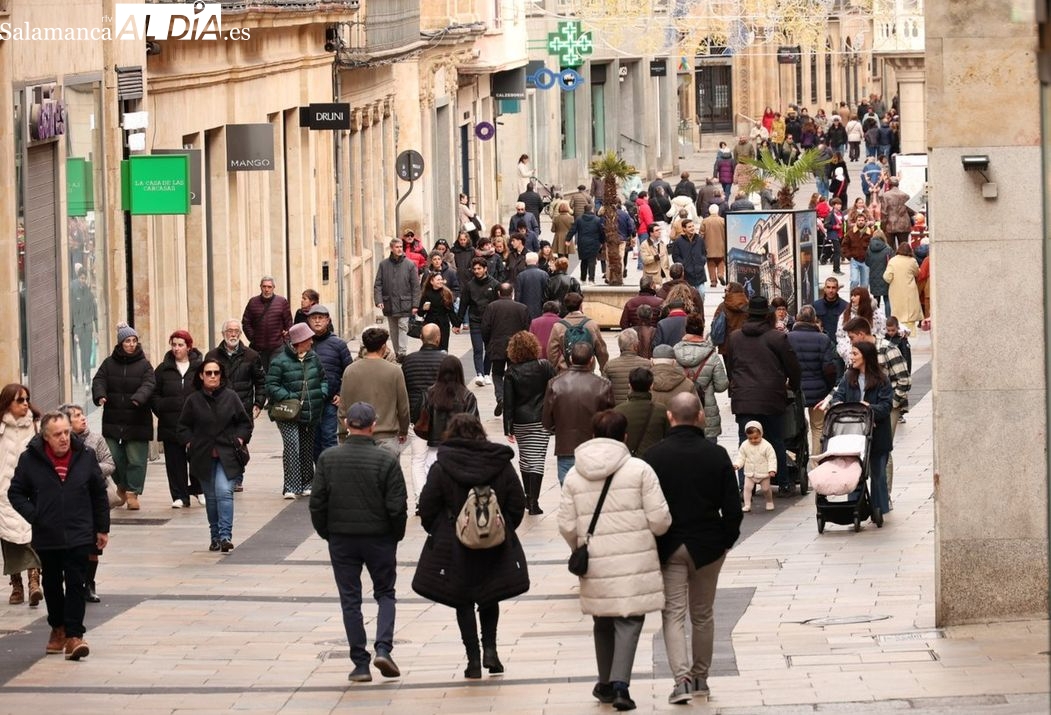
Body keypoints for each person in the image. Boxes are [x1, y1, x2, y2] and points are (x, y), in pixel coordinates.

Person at [557, 410, 671, 711]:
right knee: (630, 619)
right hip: (634, 559)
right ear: (624, 436)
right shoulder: (640, 470)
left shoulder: (574, 474)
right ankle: (620, 685)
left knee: (602, 619)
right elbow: (660, 520)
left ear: (593, 435)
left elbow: (567, 525)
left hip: (595, 559)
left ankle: (605, 682)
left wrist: (579, 546)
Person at [643, 393, 741, 704]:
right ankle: (701, 677)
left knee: (672, 614)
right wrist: (725, 540)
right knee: (703, 615)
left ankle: (681, 680)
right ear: (700, 416)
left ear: (670, 417)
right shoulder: (717, 455)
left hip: (669, 544)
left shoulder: (653, 457)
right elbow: (733, 508)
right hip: (708, 544)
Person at [414, 414, 528, 679]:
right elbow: (517, 502)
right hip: (494, 544)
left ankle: (473, 659)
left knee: (462, 600)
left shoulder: (443, 466)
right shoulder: (500, 464)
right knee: (490, 595)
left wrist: (440, 531)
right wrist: (504, 528)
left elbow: (428, 506)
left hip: (456, 544)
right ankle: (491, 650)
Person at [311, 402, 407, 683]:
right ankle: (383, 648)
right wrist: (395, 535)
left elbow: (317, 504)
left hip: (342, 538)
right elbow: (397, 505)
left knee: (350, 598)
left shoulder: (329, 459)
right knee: (385, 593)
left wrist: (327, 532)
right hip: (379, 538)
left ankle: (360, 663)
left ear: (346, 425)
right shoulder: (387, 460)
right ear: (373, 425)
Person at [9, 411, 109, 661]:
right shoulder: (30, 459)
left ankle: (75, 636)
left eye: (66, 432)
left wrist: (102, 528)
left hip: (79, 532)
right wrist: (35, 514)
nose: (64, 438)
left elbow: (99, 494)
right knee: (52, 584)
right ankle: (58, 627)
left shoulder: (85, 456)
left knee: (76, 582)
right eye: (58, 434)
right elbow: (16, 493)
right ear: (45, 437)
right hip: (47, 533)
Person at [724, 297, 801, 496]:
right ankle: (783, 482)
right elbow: (792, 366)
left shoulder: (735, 337)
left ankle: (744, 486)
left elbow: (731, 367)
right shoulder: (777, 338)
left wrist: (737, 386)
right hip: (771, 396)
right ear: (768, 315)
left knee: (745, 440)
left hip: (744, 397)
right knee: (776, 439)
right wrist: (793, 385)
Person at [177, 360, 253, 552]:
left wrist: (240, 439)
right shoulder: (193, 400)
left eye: (216, 373)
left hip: (228, 453)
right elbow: (182, 427)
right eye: (208, 373)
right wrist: (190, 443)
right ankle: (215, 536)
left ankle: (226, 535)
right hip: (203, 455)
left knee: (224, 492)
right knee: (211, 498)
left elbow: (245, 423)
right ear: (201, 375)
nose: (212, 376)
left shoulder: (231, 397)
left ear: (221, 375)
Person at [823, 341, 894, 516]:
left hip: (876, 435)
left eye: (855, 354)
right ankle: (855, 509)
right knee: (853, 473)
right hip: (853, 434)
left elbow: (886, 406)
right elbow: (838, 395)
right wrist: (837, 403)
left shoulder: (881, 380)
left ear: (866, 356)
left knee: (878, 476)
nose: (851, 357)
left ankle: (880, 509)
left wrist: (868, 407)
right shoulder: (849, 377)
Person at [91, 322, 156, 510]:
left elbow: (149, 383)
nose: (131, 344)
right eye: (127, 341)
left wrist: (139, 398)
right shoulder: (109, 363)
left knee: (136, 459)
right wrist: (100, 394)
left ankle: (132, 492)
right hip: (114, 418)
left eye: (134, 340)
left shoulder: (144, 365)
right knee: (113, 457)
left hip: (137, 419)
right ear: (121, 343)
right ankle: (121, 486)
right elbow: (99, 380)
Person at [57, 402, 116, 603]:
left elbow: (110, 464)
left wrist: (88, 471)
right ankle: (73, 582)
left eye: (83, 414)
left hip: (92, 499)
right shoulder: (57, 444)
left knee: (93, 546)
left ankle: (89, 584)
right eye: (77, 416)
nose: (83, 418)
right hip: (67, 503)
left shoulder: (95, 439)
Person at [267, 322, 329, 499]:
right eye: (308, 339)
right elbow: (271, 385)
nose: (311, 342)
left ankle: (307, 482)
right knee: (292, 445)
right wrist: (290, 398)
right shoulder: (280, 361)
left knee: (307, 446)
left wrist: (321, 393)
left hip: (309, 411)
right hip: (287, 412)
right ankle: (291, 486)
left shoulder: (313, 357)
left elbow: (323, 379)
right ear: (299, 341)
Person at [543, 342, 615, 485]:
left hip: (566, 447)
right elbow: (610, 419)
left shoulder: (555, 384)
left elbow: (547, 421)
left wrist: (561, 429)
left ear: (570, 359)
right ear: (591, 360)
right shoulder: (603, 385)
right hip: (594, 448)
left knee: (568, 493)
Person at [502, 331, 556, 515]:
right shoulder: (545, 366)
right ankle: (534, 502)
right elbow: (555, 389)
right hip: (541, 419)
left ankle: (528, 497)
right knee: (537, 459)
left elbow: (508, 402)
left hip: (520, 420)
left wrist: (508, 427)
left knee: (525, 458)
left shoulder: (511, 371)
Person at [152, 330, 204, 509]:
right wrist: (162, 408)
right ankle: (179, 496)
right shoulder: (163, 369)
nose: (176, 348)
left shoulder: (200, 368)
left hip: (195, 424)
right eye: (173, 344)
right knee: (174, 462)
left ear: (188, 347)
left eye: (180, 345)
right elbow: (155, 393)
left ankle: (199, 489)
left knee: (197, 458)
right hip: (170, 423)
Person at [339, 327, 410, 459]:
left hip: (357, 437)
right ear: (383, 346)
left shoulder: (350, 370)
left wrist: (342, 435)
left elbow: (343, 408)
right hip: (387, 437)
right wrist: (404, 430)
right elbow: (403, 407)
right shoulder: (394, 371)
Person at [1, 384, 41, 607]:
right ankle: (16, 584)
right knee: (9, 539)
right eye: (20, 400)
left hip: (30, 492)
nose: (25, 404)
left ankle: (34, 580)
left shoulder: (35, 426)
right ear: (8, 403)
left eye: (27, 399)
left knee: (31, 535)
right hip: (4, 494)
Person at [400, 324, 446, 507]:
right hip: (440, 414)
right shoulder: (445, 360)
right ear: (438, 338)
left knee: (418, 459)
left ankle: (421, 498)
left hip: (417, 416)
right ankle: (437, 496)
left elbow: (404, 389)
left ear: (420, 338)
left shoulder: (409, 361)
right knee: (436, 456)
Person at [787, 306, 838, 466]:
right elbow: (829, 368)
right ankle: (816, 464)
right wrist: (828, 387)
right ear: (814, 320)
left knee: (796, 425)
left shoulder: (788, 338)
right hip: (818, 391)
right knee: (818, 427)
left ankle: (798, 461)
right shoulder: (823, 339)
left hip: (794, 390)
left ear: (797, 318)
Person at [305, 305, 352, 461]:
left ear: (328, 320)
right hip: (308, 402)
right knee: (313, 443)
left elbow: (349, 372)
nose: (317, 321)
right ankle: (320, 475)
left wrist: (341, 393)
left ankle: (331, 476)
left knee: (329, 439)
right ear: (308, 321)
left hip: (330, 402)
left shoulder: (338, 344)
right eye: (314, 318)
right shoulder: (303, 344)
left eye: (321, 318)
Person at [673, 313, 728, 443]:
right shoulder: (711, 355)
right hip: (706, 411)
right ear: (702, 330)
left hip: (680, 410)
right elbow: (722, 385)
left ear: (686, 330)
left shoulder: (674, 353)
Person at [481, 283, 531, 416]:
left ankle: (500, 397)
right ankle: (513, 400)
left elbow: (485, 327)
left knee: (497, 373)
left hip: (497, 345)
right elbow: (527, 328)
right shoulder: (522, 308)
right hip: (516, 346)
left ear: (499, 293)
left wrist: (488, 342)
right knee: (515, 373)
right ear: (512, 293)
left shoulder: (491, 307)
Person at [374, 237, 421, 361]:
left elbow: (416, 286)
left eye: (401, 247)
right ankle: (396, 352)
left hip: (405, 302)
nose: (400, 249)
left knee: (403, 326)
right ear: (392, 248)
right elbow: (378, 284)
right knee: (393, 329)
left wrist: (415, 305)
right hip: (389, 302)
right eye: (397, 247)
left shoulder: (409, 265)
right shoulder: (383, 265)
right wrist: (379, 300)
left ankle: (402, 352)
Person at [456, 257, 500, 386]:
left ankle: (487, 373)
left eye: (479, 268)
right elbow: (463, 305)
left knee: (489, 349)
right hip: (475, 320)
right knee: (478, 348)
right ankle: (479, 374)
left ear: (485, 269)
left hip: (490, 322)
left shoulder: (494, 284)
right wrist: (457, 323)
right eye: (474, 269)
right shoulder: (469, 286)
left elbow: (498, 304)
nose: (476, 271)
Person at [546, 292, 608, 373]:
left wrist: (554, 370)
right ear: (581, 305)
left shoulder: (558, 326)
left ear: (565, 306)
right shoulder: (591, 324)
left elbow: (551, 352)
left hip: (565, 371)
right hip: (587, 371)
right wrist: (603, 369)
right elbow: (601, 351)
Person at [613, 367, 669, 457]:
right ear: (651, 386)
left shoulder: (618, 411)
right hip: (654, 460)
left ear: (629, 385)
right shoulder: (661, 410)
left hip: (627, 461)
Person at [241, 275, 293, 371]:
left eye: (269, 287)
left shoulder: (282, 302)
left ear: (273, 288)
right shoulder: (253, 302)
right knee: (260, 375)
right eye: (264, 286)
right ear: (260, 287)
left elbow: (289, 323)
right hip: (258, 348)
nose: (266, 289)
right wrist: (252, 337)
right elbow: (246, 322)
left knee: (275, 373)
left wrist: (285, 339)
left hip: (277, 347)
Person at [732, 422, 778, 512]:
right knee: (747, 488)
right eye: (750, 438)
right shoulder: (745, 445)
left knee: (765, 489)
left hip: (763, 473)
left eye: (756, 438)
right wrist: (737, 464)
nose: (753, 440)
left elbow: (772, 458)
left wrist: (772, 469)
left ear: (761, 434)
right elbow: (741, 457)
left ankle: (769, 501)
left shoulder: (767, 446)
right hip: (750, 473)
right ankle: (747, 504)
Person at [835, 286, 887, 364]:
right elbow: (840, 335)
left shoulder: (877, 314)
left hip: (871, 353)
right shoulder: (846, 314)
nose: (852, 298)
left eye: (855, 296)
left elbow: (882, 332)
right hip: (850, 355)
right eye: (851, 295)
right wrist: (846, 352)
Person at [602, 329, 652, 404]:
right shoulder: (647, 364)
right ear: (635, 346)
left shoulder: (609, 366)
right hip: (642, 407)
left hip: (617, 410)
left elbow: (604, 391)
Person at [883, 243, 924, 333]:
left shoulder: (892, 261)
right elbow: (917, 273)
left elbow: (887, 277)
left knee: (898, 312)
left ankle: (898, 331)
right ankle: (910, 333)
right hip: (909, 290)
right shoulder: (912, 261)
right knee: (909, 315)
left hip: (895, 290)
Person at [418, 269, 456, 352]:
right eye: (438, 280)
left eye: (441, 279)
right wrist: (424, 309)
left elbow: (451, 311)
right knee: (430, 347)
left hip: (443, 324)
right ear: (432, 281)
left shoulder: (446, 293)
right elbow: (420, 313)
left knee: (443, 348)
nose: (441, 281)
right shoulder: (426, 294)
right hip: (430, 324)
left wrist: (455, 325)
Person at [670, 219, 707, 301]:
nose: (692, 228)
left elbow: (704, 253)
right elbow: (675, 257)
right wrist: (684, 265)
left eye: (693, 226)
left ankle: (700, 311)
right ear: (684, 229)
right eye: (689, 227)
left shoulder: (699, 240)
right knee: (690, 297)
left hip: (700, 274)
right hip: (687, 276)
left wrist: (701, 262)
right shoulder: (678, 242)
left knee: (702, 293)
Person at [567, 204, 604, 285]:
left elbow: (573, 229)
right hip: (594, 242)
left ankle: (583, 278)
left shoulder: (579, 219)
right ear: (591, 210)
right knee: (592, 261)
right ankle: (591, 279)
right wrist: (602, 241)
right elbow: (601, 232)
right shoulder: (597, 220)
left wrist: (568, 239)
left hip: (582, 242)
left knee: (583, 260)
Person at [711, 282, 749, 356]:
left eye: (726, 290)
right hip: (745, 344)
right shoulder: (748, 306)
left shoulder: (722, 307)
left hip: (727, 346)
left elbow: (715, 327)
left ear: (730, 292)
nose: (724, 292)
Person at [879, 177, 915, 249]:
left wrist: (882, 226)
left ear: (889, 185)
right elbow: (911, 212)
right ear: (898, 184)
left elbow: (884, 212)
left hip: (890, 225)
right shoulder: (905, 195)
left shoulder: (885, 196)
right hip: (904, 225)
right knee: (903, 247)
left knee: (889, 248)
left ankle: (892, 260)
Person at [514, 252, 549, 319]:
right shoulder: (544, 274)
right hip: (540, 309)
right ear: (537, 261)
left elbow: (518, 295)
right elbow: (546, 294)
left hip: (524, 310)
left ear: (526, 261)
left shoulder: (520, 276)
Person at [814, 277, 848, 342]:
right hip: (820, 343)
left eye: (833, 287)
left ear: (837, 289)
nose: (831, 290)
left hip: (839, 344)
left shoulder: (845, 306)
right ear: (824, 289)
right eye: (828, 287)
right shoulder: (816, 305)